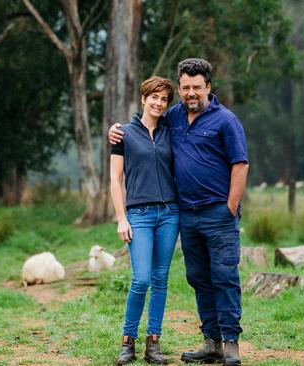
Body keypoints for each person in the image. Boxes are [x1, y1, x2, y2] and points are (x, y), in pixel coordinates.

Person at [110, 58, 248, 366]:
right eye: (185, 87)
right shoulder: (173, 117)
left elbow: (240, 165)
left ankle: (231, 344)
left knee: (224, 276)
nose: (190, 93)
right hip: (186, 215)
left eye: (196, 87)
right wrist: (115, 132)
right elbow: (144, 125)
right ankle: (210, 341)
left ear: (208, 87)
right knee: (198, 277)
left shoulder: (226, 120)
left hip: (218, 215)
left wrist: (230, 207)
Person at [110, 76, 179, 365]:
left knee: (160, 279)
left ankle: (154, 342)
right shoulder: (123, 134)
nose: (159, 103)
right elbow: (115, 180)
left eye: (163, 99)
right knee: (141, 279)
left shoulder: (171, 131)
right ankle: (128, 342)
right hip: (138, 214)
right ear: (143, 98)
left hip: (169, 214)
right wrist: (121, 218)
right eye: (154, 97)